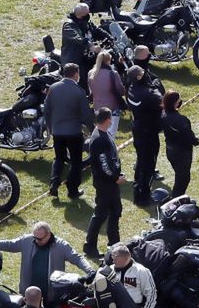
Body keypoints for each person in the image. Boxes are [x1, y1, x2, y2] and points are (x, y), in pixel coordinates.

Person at [0, 222, 93, 297]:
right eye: (35, 238)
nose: (36, 241)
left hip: (52, 294)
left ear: (49, 235)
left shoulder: (61, 246)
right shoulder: (28, 240)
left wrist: (90, 271)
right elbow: (9, 245)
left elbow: (77, 258)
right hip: (29, 294)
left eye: (40, 239)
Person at [45, 62, 90, 199]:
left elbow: (47, 109)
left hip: (57, 131)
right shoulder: (79, 91)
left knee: (59, 158)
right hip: (74, 132)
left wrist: (50, 128)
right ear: (76, 74)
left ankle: (54, 183)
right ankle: (72, 190)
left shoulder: (53, 88)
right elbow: (86, 115)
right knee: (76, 162)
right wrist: (93, 128)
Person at [85, 108, 124, 259]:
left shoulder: (102, 133)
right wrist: (115, 178)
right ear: (108, 120)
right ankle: (90, 247)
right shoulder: (99, 139)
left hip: (109, 182)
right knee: (100, 215)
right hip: (106, 184)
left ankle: (114, 243)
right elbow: (104, 165)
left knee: (115, 211)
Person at [124, 65, 162, 205]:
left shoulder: (132, 89)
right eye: (142, 73)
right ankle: (143, 197)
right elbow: (161, 101)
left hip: (138, 129)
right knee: (147, 165)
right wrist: (156, 86)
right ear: (139, 77)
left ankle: (138, 190)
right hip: (148, 132)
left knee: (141, 162)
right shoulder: (148, 93)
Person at [105, 243, 157, 308]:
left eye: (114, 257)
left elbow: (151, 293)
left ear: (124, 258)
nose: (113, 260)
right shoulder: (111, 269)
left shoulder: (141, 271)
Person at [161, 90, 198, 197]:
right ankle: (175, 200)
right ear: (175, 103)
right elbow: (189, 136)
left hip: (170, 150)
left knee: (180, 175)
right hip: (182, 153)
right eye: (178, 100)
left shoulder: (163, 115)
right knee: (183, 178)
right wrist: (196, 141)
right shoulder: (181, 120)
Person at [87, 50, 125, 135]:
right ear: (109, 60)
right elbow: (121, 91)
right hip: (112, 107)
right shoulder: (113, 73)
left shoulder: (91, 73)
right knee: (111, 133)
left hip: (97, 107)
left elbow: (91, 91)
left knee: (100, 131)